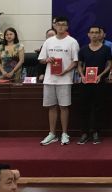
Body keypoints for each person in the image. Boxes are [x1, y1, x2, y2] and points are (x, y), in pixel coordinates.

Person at [37, 16, 79, 146]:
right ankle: (52, 134)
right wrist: (46, 60)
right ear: (54, 26)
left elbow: (75, 61)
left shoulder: (72, 42)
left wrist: (65, 71)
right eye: (58, 24)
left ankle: (65, 133)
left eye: (63, 25)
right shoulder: (49, 41)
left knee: (64, 107)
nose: (61, 27)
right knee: (52, 107)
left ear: (67, 26)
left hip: (65, 80)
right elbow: (41, 59)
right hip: (49, 79)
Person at [76, 25, 112, 145]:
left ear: (100, 34)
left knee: (98, 108)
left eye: (97, 32)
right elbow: (79, 65)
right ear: (88, 34)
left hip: (99, 82)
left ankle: (96, 132)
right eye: (92, 32)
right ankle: (84, 133)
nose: (94, 34)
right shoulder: (83, 49)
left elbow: (109, 65)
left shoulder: (106, 49)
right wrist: (82, 75)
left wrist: (100, 75)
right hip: (85, 83)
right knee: (84, 108)